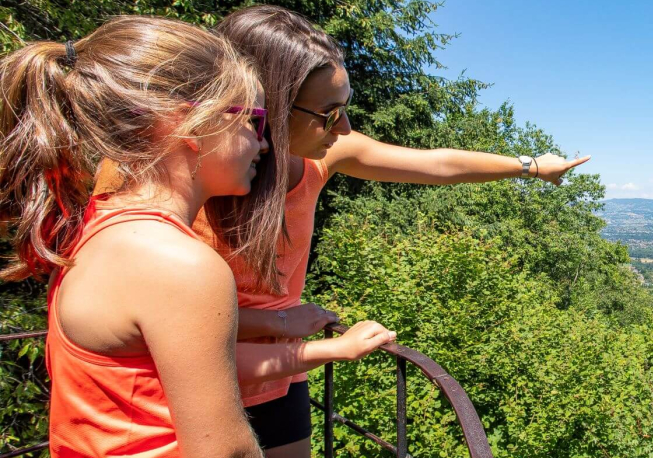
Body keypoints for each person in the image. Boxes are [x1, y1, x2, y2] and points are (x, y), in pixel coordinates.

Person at [0, 15, 395, 457]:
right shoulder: (179, 264)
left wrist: (281, 325)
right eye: (251, 121)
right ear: (191, 126)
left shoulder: (100, 227)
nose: (264, 144)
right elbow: (228, 451)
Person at [205, 5, 590, 457]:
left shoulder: (317, 159)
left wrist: (531, 166)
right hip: (194, 379)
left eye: (345, 110)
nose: (345, 129)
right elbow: (162, 317)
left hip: (281, 374)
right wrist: (283, 322)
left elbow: (438, 164)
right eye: (328, 114)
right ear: (269, 101)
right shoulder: (177, 182)